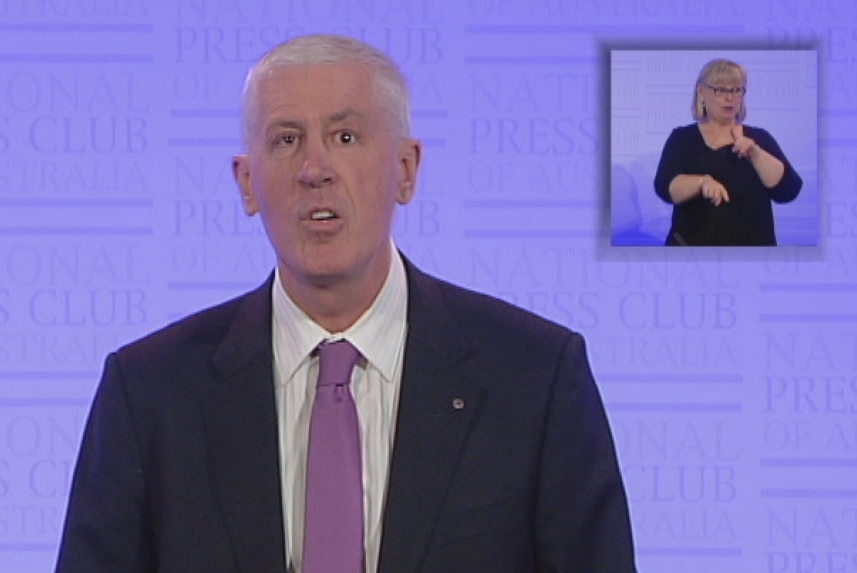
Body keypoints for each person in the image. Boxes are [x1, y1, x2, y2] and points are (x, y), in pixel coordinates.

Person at [54, 34, 636, 572]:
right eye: (286, 140)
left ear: (406, 170)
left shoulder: (534, 378)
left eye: (346, 137)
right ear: (247, 183)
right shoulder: (149, 392)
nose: (315, 170)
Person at [653, 58, 803, 246]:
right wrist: (701, 182)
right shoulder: (682, 138)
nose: (730, 97)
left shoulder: (759, 138)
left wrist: (755, 154)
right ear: (701, 92)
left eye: (736, 90)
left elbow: (788, 190)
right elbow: (666, 189)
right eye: (721, 90)